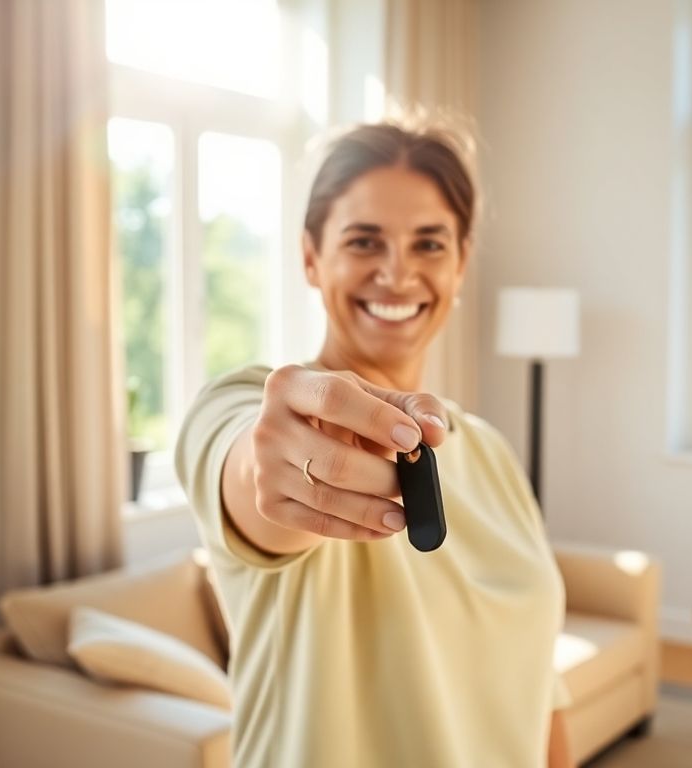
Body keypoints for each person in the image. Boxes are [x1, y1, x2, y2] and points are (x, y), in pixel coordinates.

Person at [175, 120, 574, 767]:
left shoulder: (493, 455)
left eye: (429, 244)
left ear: (462, 261)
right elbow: (252, 472)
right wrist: (272, 467)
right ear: (311, 257)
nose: (397, 273)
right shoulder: (257, 409)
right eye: (364, 242)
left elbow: (539, 693)